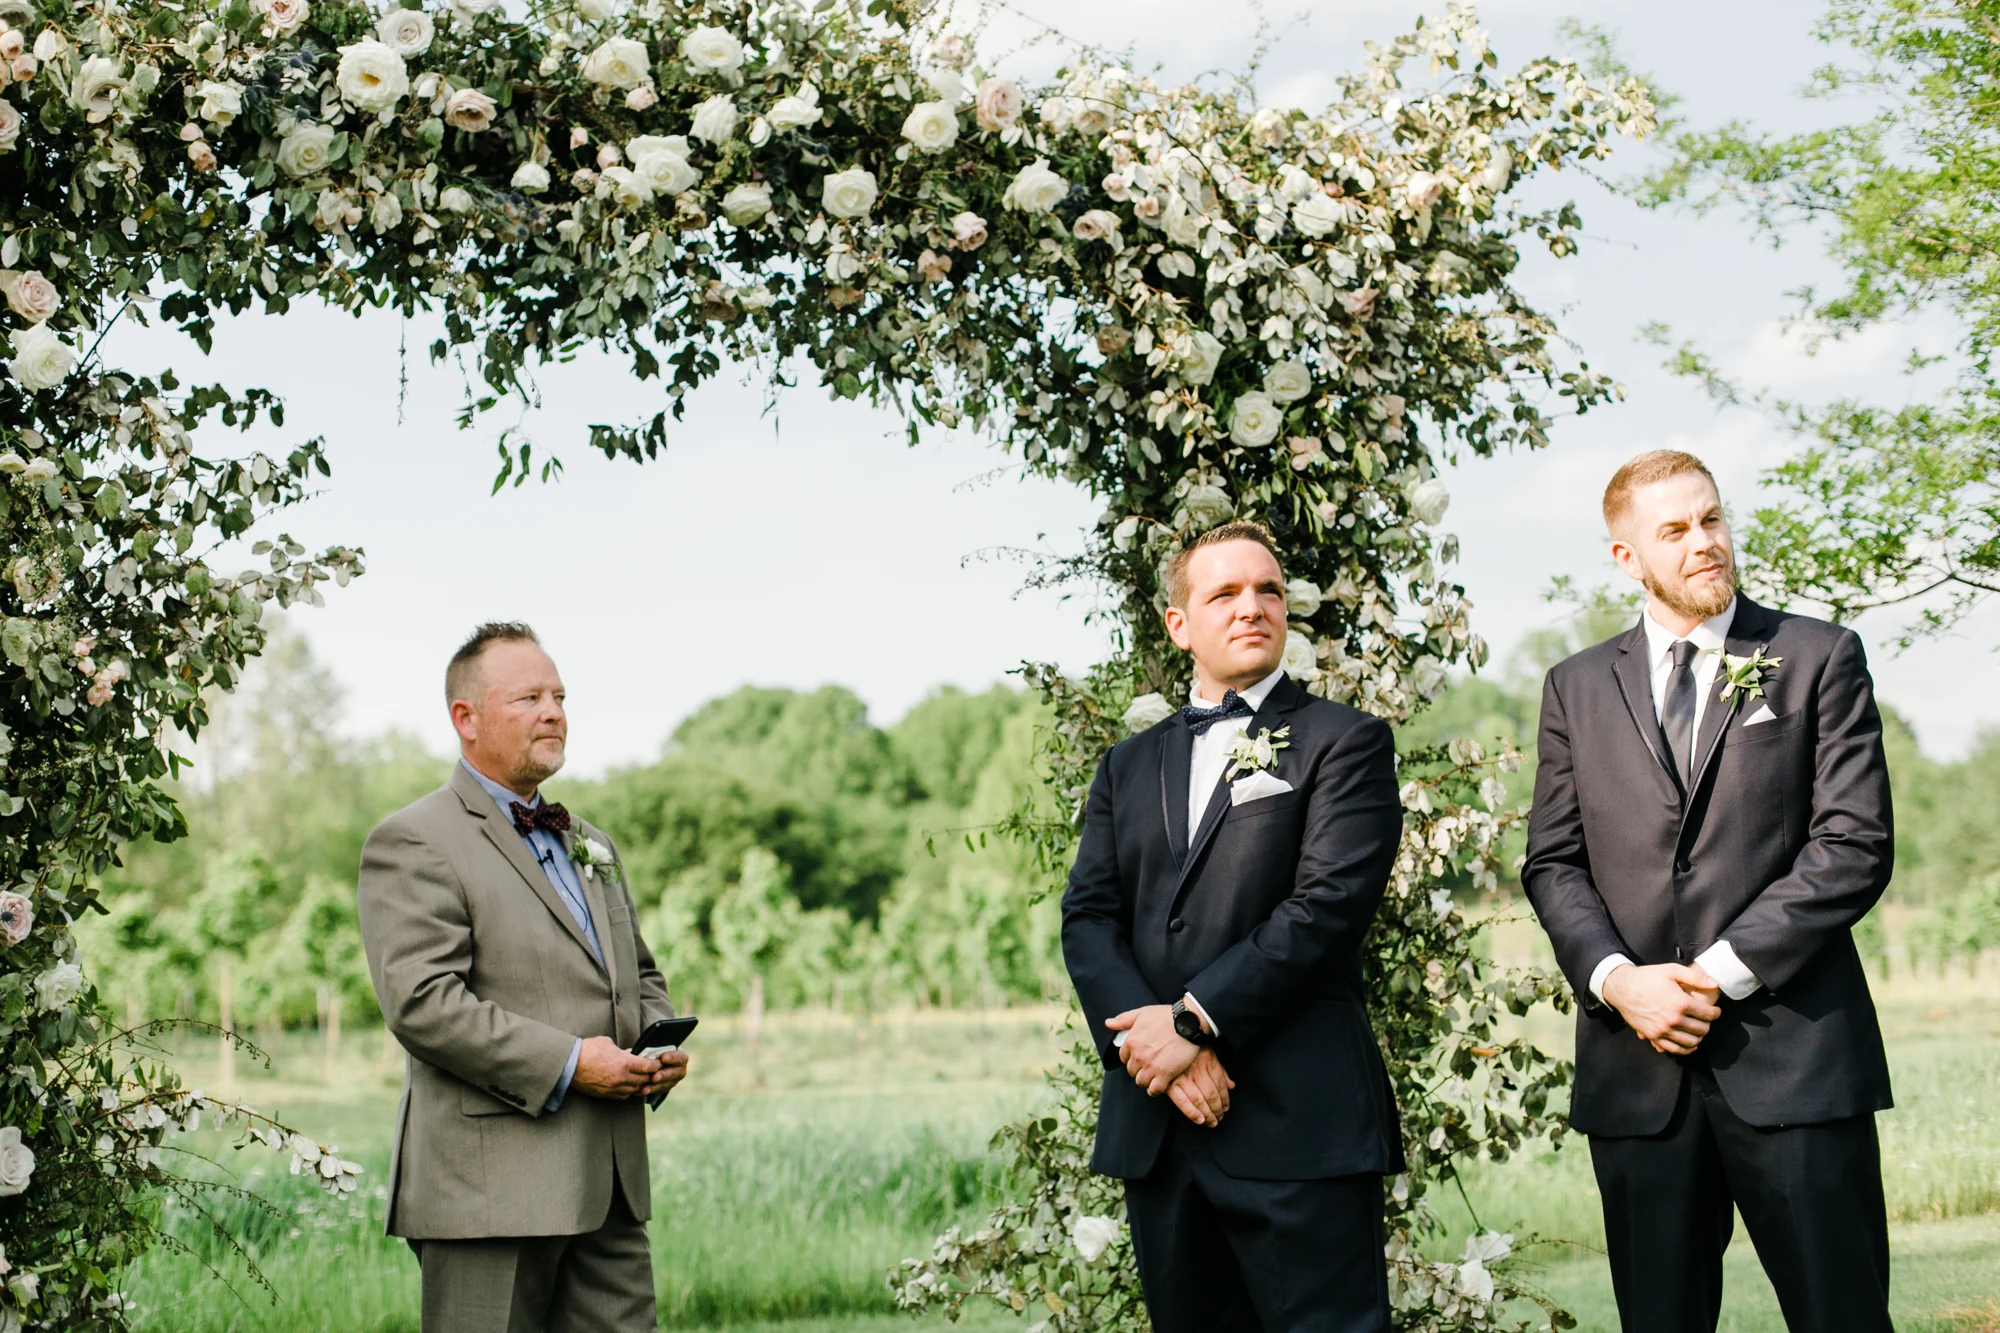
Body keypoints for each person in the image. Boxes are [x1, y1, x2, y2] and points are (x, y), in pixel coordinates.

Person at [1523, 451, 1896, 1332]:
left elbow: (1852, 844)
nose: (1705, 543)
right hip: (1636, 1075)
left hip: (1795, 1061)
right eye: (1676, 530)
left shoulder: (1817, 656)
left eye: (1713, 519)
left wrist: (1716, 974)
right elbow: (1552, 861)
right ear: (1627, 558)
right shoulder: (1574, 686)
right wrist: (1621, 980)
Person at [1061, 521, 1405, 1333]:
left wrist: (1193, 1021)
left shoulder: (1345, 743)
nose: (1252, 606)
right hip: (1161, 1129)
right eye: (1224, 593)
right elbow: (1088, 916)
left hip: (1300, 1125)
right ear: (1179, 624)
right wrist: (1154, 1052)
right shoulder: (1127, 764)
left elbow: (1325, 907)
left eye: (1268, 590)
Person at [357, 622, 687, 1333]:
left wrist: (651, 1046)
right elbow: (423, 1004)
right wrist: (573, 1063)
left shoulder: (590, 841)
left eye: (560, 696)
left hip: (610, 1188)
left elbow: (638, 972)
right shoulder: (414, 839)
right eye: (529, 697)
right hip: (489, 1196)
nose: (554, 712)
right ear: (465, 719)